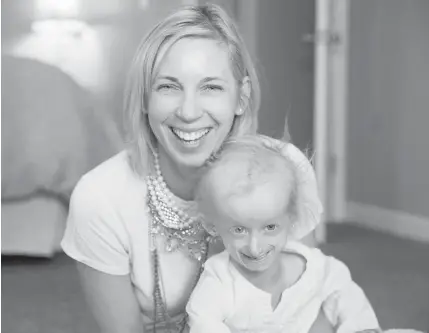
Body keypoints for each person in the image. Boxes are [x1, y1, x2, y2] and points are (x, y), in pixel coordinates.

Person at [61, 4, 325, 333]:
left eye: (210, 87)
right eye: (168, 87)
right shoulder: (100, 197)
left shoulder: (287, 170)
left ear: (241, 97)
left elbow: (308, 311)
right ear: (144, 98)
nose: (188, 112)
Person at [187, 135, 381, 333]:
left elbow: (348, 299)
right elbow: (204, 323)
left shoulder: (314, 267)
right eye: (239, 230)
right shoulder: (218, 283)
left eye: (270, 228)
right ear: (214, 226)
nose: (255, 247)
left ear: (291, 219)